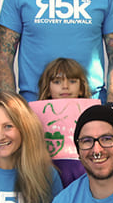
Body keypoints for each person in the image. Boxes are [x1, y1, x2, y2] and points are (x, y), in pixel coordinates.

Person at [34, 57, 92, 187]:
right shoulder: (33, 117)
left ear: (81, 88)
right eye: (57, 82)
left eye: (72, 81)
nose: (65, 86)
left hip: (83, 178)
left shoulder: (92, 116)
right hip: (48, 178)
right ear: (48, 88)